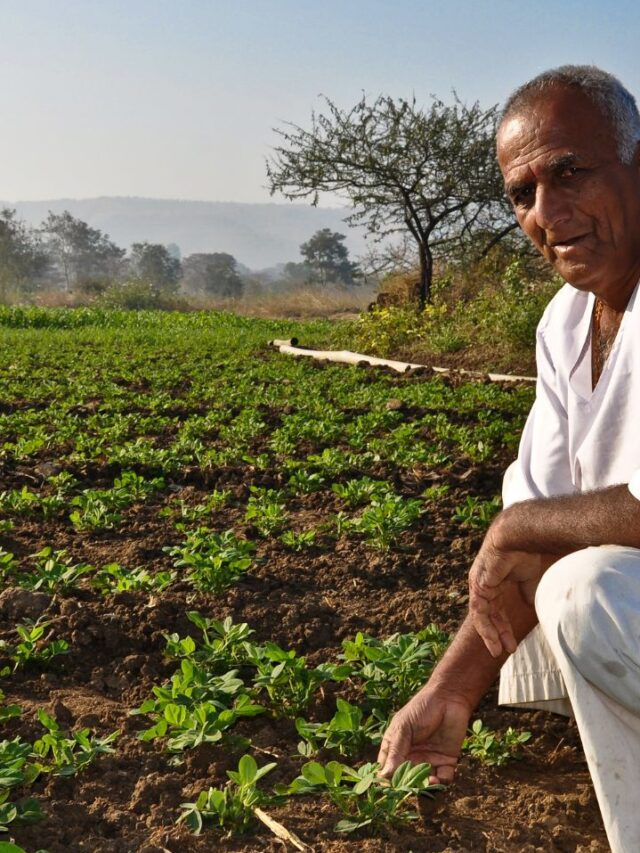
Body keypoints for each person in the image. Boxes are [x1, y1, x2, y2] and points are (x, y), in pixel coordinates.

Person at [377, 65, 640, 853]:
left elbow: (539, 529)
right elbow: (534, 540)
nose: (546, 214)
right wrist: (448, 692)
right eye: (521, 193)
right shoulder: (565, 325)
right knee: (570, 580)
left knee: (586, 589)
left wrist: (519, 522)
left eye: (569, 173)